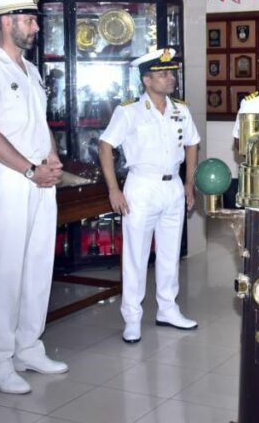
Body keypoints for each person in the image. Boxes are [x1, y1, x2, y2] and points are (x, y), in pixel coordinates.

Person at [0, 0, 67, 395]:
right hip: (12, 179)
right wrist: (29, 169)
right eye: (30, 20)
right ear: (7, 22)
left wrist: (53, 160)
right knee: (6, 271)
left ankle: (28, 345)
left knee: (38, 265)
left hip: (40, 178)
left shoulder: (30, 70)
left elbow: (39, 126)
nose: (37, 27)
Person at [98, 48, 200, 344]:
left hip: (172, 188)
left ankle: (168, 309)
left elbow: (192, 144)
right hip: (141, 187)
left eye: (172, 73)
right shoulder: (129, 111)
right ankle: (132, 317)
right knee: (136, 256)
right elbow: (106, 146)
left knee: (170, 254)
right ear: (146, 80)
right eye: (163, 74)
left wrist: (188, 184)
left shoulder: (181, 109)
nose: (171, 79)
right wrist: (113, 189)